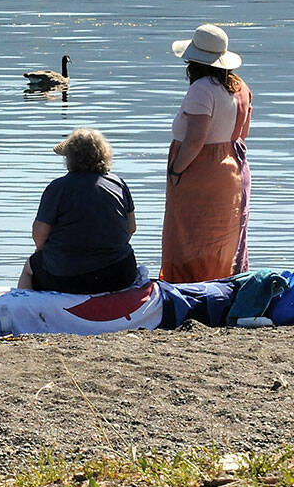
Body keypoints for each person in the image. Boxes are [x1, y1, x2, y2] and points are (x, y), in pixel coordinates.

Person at [162, 24, 252, 283]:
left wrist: (176, 169)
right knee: (224, 235)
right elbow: (242, 133)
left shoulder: (201, 89)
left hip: (200, 169)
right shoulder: (240, 87)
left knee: (190, 234)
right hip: (232, 165)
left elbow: (195, 140)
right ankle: (225, 286)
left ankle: (188, 289)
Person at [17, 128, 139, 294]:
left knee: (29, 267)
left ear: (70, 158)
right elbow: (131, 228)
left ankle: (24, 310)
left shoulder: (58, 188)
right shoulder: (119, 184)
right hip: (120, 274)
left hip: (69, 278)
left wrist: (46, 255)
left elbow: (39, 235)